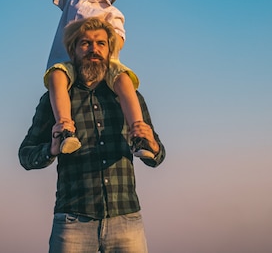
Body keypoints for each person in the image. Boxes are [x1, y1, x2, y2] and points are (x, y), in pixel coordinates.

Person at [19, 17, 166, 253]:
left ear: (110, 50)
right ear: (73, 50)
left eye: (100, 43)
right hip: (73, 221)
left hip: (126, 219)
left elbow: (157, 157)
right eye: (85, 43)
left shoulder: (130, 98)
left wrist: (153, 146)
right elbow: (25, 155)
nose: (93, 49)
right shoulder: (55, 100)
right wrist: (52, 149)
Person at [43, 0, 154, 159]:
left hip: (100, 63)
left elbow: (119, 41)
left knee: (124, 79)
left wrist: (101, 47)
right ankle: (65, 129)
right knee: (56, 75)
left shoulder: (111, 12)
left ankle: (138, 132)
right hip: (69, 62)